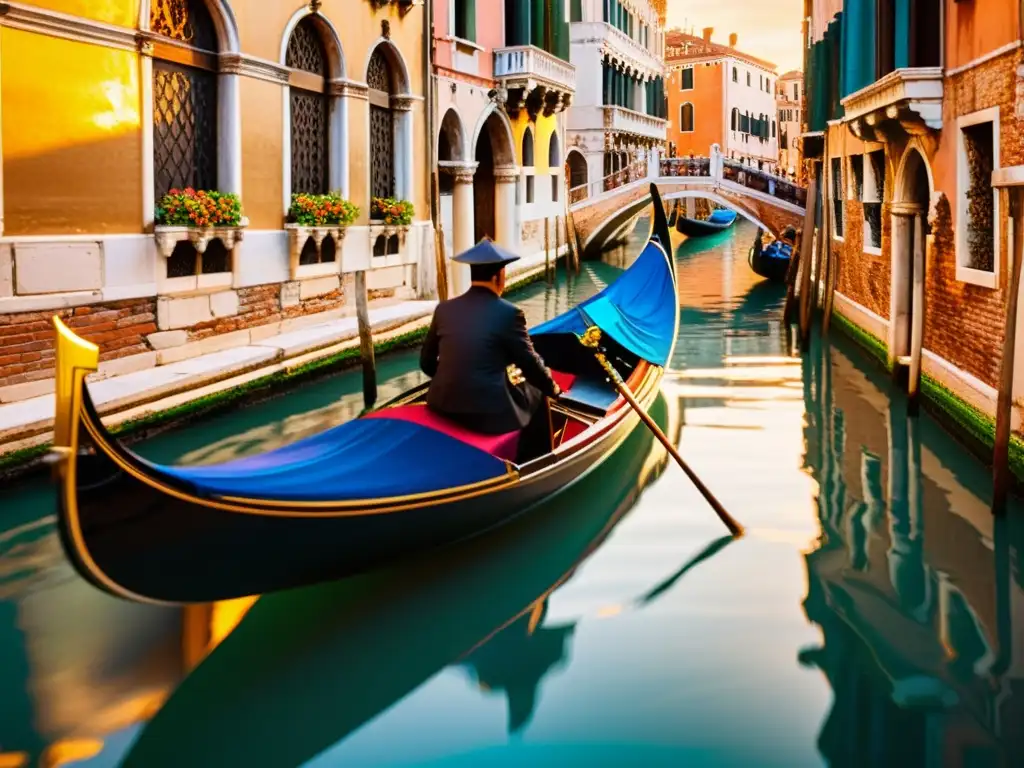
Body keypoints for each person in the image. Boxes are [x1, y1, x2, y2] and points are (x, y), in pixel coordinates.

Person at [420, 239, 562, 459]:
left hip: (442, 404)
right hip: (486, 414)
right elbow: (530, 365)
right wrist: (553, 388)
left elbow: (426, 363)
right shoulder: (509, 313)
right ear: (499, 276)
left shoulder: (444, 309)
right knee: (537, 390)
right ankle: (537, 460)